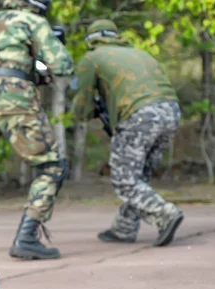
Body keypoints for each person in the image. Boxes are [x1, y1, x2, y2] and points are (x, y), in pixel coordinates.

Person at [0, 0, 74, 260]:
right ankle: (26, 237)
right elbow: (63, 65)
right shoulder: (32, 21)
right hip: (12, 95)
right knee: (52, 166)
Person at [71, 19, 184, 247]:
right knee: (139, 175)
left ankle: (165, 213)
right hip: (170, 110)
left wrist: (83, 114)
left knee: (125, 179)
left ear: (91, 40)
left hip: (140, 115)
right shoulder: (140, 53)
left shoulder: (92, 58)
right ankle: (124, 227)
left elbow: (81, 104)